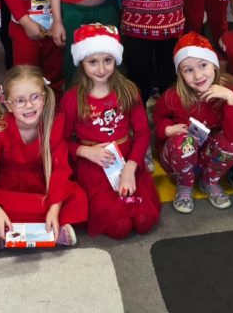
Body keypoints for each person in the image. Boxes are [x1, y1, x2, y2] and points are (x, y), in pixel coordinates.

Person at [0, 66, 86, 249]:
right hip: (9, 190)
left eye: (35, 97)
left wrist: (54, 208)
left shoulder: (53, 125)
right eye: (20, 100)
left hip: (43, 189)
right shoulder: (0, 129)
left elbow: (61, 169)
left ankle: (43, 226)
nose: (29, 105)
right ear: (8, 105)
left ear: (44, 98)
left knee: (78, 197)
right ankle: (6, 228)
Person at [61, 23, 161, 238]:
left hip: (127, 159)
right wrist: (85, 152)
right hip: (94, 164)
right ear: (81, 62)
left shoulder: (128, 91)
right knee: (118, 224)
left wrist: (130, 168)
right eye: (93, 62)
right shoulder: (72, 99)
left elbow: (143, 134)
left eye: (107, 60)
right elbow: (61, 140)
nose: (101, 69)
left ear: (116, 59)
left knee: (144, 218)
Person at [153, 32, 233, 213]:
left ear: (215, 65)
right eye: (188, 70)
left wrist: (231, 100)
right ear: (180, 74)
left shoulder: (226, 92)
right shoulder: (172, 96)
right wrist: (168, 129)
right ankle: (185, 185)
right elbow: (157, 118)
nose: (198, 75)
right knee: (184, 141)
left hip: (209, 160)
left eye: (203, 65)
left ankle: (209, 181)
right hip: (178, 160)